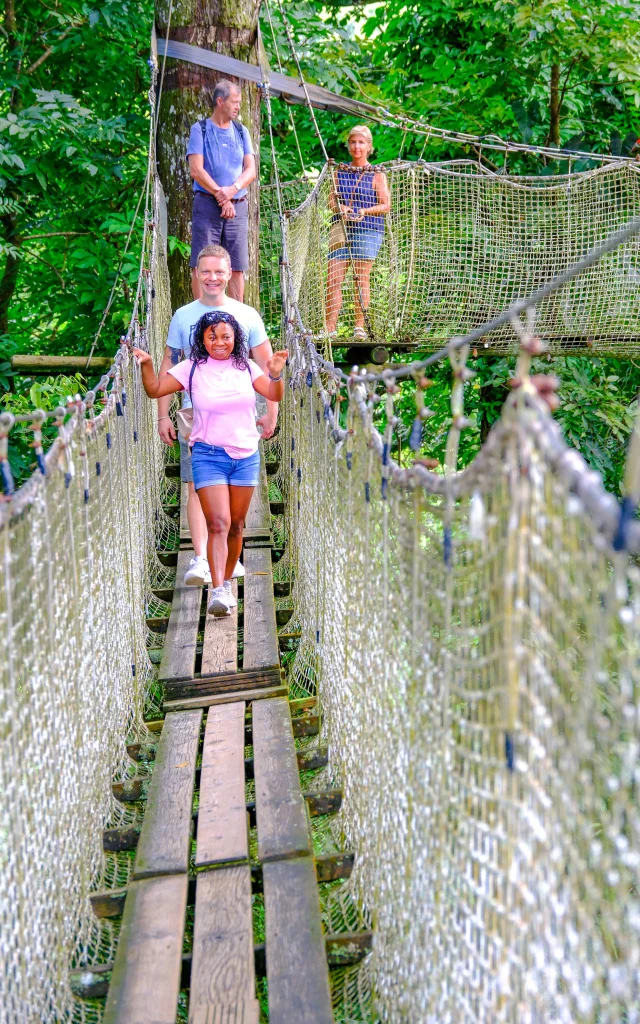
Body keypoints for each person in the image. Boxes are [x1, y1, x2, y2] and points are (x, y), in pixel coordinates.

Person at [134, 312, 288, 617]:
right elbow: (154, 390)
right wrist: (149, 365)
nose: (219, 342)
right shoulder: (190, 367)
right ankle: (218, 590)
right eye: (212, 336)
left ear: (236, 338)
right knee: (219, 523)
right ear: (202, 339)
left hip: (245, 456)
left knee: (236, 526)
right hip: (207, 454)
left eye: (226, 336)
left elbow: (272, 393)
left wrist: (275, 374)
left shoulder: (246, 366)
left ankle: (226, 581)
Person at [157, 244, 278, 588]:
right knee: (197, 484)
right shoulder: (183, 316)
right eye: (205, 271)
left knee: (231, 511)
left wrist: (271, 411)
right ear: (195, 273)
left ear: (230, 275)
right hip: (195, 412)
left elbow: (269, 368)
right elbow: (168, 364)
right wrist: (161, 415)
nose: (212, 278)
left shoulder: (247, 315)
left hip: (238, 416)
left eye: (219, 271)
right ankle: (201, 559)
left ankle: (222, 558)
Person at [187, 79, 256, 302]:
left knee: (237, 265)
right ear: (220, 101)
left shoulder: (241, 130)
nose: (238, 107)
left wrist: (232, 190)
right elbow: (196, 170)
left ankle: (235, 318)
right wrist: (221, 194)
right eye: (234, 102)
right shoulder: (200, 129)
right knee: (202, 264)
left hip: (237, 206)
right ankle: (201, 315)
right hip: (207, 205)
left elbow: (251, 170)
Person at [325, 125, 391, 341]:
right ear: (349, 145)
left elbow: (385, 205)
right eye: (353, 142)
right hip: (341, 229)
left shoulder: (376, 173)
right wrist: (340, 208)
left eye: (361, 142)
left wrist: (364, 211)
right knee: (333, 279)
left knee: (360, 278)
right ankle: (329, 329)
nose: (357, 146)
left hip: (368, 229)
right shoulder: (340, 171)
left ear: (369, 147)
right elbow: (330, 200)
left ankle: (359, 328)